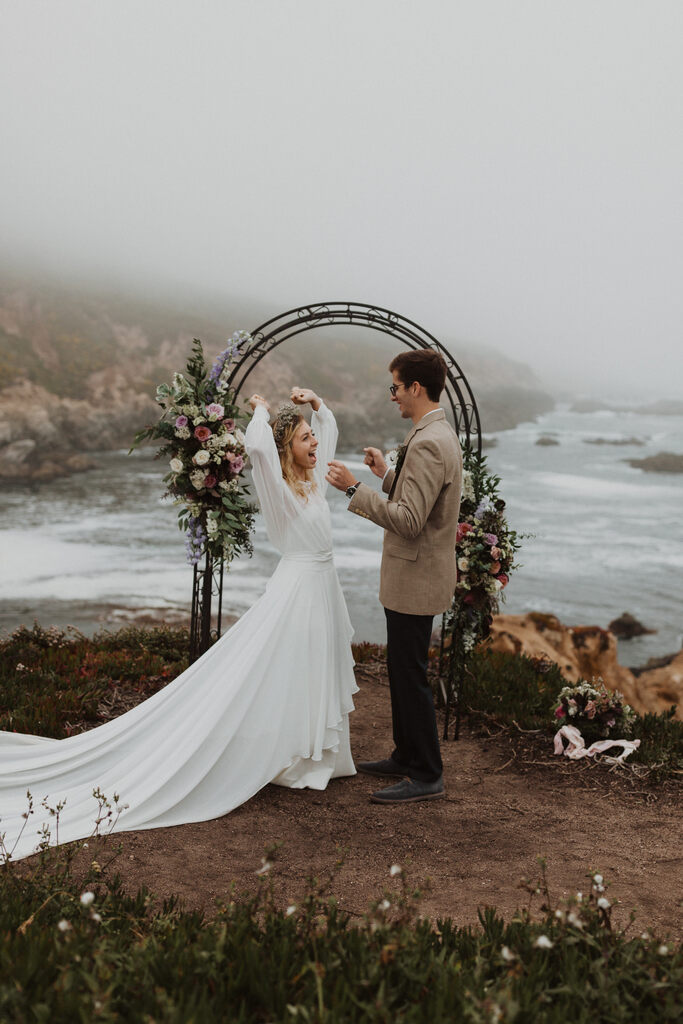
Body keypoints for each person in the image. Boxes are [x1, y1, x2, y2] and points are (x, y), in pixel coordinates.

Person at [0, 389, 356, 861]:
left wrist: (318, 405)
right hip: (299, 588)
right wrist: (262, 411)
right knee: (288, 669)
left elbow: (326, 435)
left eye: (313, 437)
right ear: (287, 448)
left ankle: (318, 756)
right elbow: (257, 449)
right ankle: (295, 758)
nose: (314, 443)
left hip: (321, 585)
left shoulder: (314, 476)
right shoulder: (282, 488)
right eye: (305, 439)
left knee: (314, 666)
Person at [326, 350, 462, 804]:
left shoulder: (427, 441)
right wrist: (386, 475)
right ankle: (406, 755)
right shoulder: (436, 432)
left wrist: (352, 488)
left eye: (395, 388)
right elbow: (421, 501)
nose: (392, 397)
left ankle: (427, 772)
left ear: (415, 389)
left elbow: (408, 521)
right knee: (403, 670)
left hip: (416, 577)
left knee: (410, 673)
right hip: (417, 576)